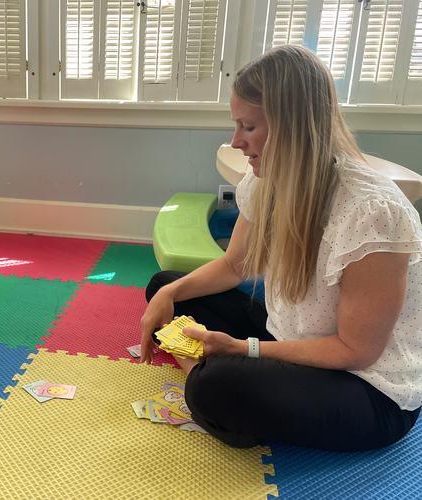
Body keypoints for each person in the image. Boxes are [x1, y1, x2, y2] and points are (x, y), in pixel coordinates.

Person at [140, 45, 422, 451]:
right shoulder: (264, 181)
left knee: (213, 387)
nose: (236, 142)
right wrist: (169, 294)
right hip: (291, 338)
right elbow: (235, 265)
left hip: (369, 388)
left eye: (248, 127)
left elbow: (356, 351)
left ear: (293, 126)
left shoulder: (373, 213)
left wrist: (242, 350)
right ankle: (213, 375)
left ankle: (207, 380)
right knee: (164, 285)